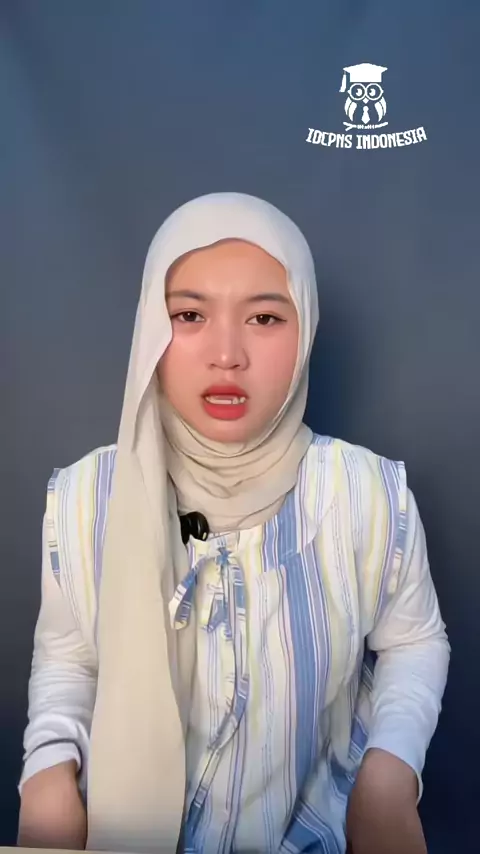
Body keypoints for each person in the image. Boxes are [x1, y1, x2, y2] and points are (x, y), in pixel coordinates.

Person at [17, 192, 450, 854]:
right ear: (151, 330)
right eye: (189, 315)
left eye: (264, 318)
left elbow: (415, 640)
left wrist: (389, 772)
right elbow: (69, 656)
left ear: (305, 331)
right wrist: (47, 772)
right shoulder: (84, 497)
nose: (227, 355)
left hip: (313, 836)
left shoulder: (367, 494)